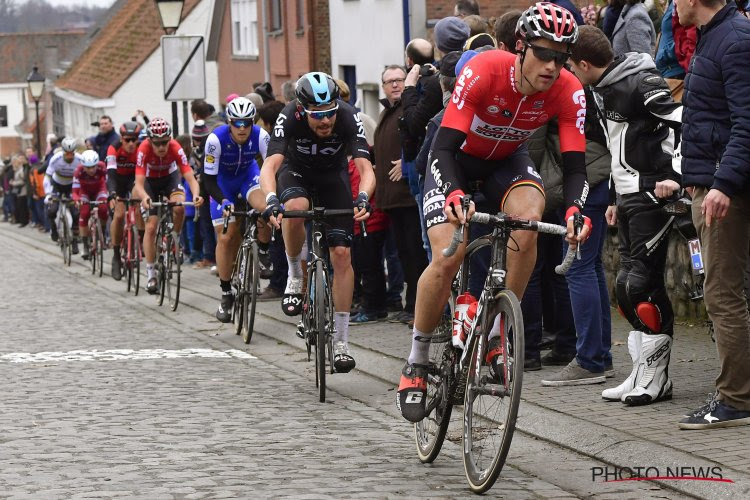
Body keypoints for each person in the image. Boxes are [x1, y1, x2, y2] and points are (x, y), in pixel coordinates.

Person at [397, 2, 591, 422]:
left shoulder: (569, 89)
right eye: (543, 53)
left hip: (506, 160)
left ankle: (498, 332)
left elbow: (576, 166)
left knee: (531, 217)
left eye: (562, 57)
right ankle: (417, 359)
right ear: (520, 47)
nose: (553, 66)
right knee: (450, 253)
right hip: (453, 158)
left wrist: (577, 209)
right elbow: (445, 148)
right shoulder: (485, 70)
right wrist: (452, 193)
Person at [568, 25, 682, 397]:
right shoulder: (598, 89)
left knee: (639, 285)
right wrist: (615, 196)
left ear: (583, 64)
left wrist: (677, 176)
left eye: (569, 64)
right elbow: (618, 145)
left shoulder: (642, 81)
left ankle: (657, 378)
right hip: (628, 195)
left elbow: (683, 123)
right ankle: (641, 372)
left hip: (654, 191)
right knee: (623, 286)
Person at [261, 72, 375, 373]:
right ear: (302, 110)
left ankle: (341, 342)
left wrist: (363, 196)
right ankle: (295, 275)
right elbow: (270, 165)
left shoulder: (349, 116)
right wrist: (271, 198)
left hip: (331, 179)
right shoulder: (289, 117)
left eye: (329, 114)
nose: (325, 122)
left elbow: (365, 167)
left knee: (341, 254)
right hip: (295, 173)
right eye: (317, 116)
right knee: (295, 207)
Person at [675, 0, 750, 429]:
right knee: (726, 293)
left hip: (728, 192)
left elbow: (745, 122)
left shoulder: (734, 38)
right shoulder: (717, 36)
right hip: (717, 182)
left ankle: (735, 400)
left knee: (722, 294)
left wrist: (720, 183)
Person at [201, 97, 271, 322]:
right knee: (227, 236)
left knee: (266, 207)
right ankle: (226, 293)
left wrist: (274, 195)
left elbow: (272, 169)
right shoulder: (215, 140)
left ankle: (263, 252)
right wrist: (223, 201)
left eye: (247, 123)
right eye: (237, 123)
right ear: (229, 122)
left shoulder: (261, 136)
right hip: (221, 184)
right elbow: (208, 181)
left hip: (248, 176)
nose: (242, 128)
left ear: (253, 122)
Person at [374, 64, 428, 325]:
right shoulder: (388, 112)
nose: (395, 85)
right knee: (404, 255)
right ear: (383, 87)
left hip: (409, 196)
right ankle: (410, 304)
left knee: (416, 254)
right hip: (392, 199)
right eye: (389, 81)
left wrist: (408, 163)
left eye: (399, 80)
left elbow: (422, 139)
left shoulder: (409, 109)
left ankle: (418, 306)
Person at [133, 118, 203, 294]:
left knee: (179, 207)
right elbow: (139, 185)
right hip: (149, 183)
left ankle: (174, 239)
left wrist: (195, 195)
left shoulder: (175, 148)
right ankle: (150, 273)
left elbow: (190, 178)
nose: (162, 147)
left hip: (169, 179)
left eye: (165, 142)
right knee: (151, 226)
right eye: (157, 143)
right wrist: (144, 197)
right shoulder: (143, 149)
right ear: (150, 141)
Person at [107, 121, 142, 280]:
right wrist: (113, 193)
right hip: (118, 181)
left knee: (139, 198)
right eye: (127, 140)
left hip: (134, 180)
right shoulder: (113, 148)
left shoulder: (141, 149)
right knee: (119, 215)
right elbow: (111, 175)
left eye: (134, 139)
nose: (131, 143)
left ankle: (140, 238)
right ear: (121, 139)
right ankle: (115, 255)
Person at [45, 137, 82, 253]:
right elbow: (47, 176)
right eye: (67, 154)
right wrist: (48, 193)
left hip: (71, 185)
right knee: (52, 210)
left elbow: (82, 178)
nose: (69, 156)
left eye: (72, 154)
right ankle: (54, 229)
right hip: (57, 185)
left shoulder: (80, 160)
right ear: (63, 152)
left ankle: (75, 240)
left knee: (76, 213)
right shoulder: (55, 159)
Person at [72, 150, 108, 260]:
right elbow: (74, 191)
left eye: (93, 167)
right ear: (83, 166)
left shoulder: (102, 167)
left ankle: (102, 233)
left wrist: (109, 195)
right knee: (84, 213)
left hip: (99, 189)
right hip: (85, 192)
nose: (91, 170)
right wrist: (77, 200)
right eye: (88, 167)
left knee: (103, 208)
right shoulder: (78, 171)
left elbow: (108, 183)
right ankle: (85, 245)